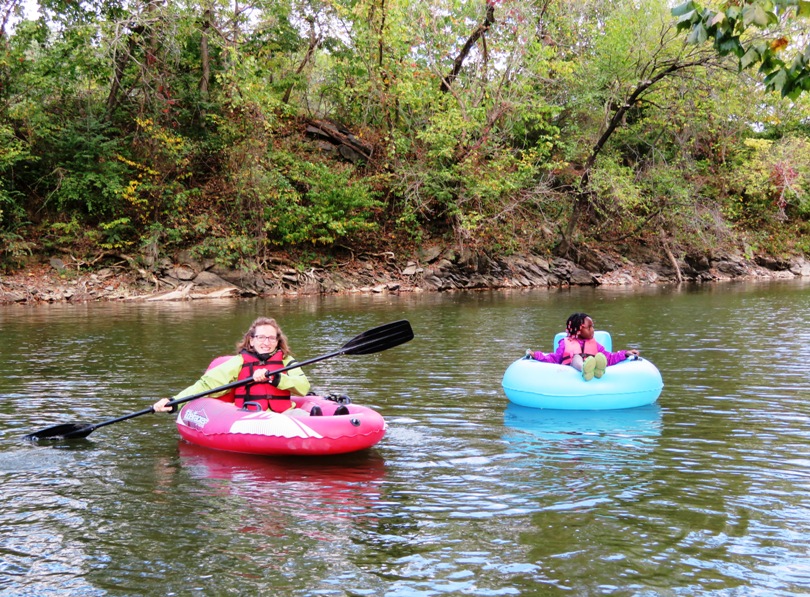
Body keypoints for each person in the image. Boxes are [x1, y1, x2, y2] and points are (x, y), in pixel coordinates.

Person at [152, 317, 321, 415]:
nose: (266, 342)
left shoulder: (286, 361)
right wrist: (174, 402)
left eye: (271, 338)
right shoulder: (238, 362)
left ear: (277, 341)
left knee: (305, 417)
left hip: (285, 413)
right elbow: (206, 385)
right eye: (261, 337)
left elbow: (303, 387)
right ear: (252, 340)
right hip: (250, 415)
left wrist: (276, 378)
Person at [526, 312, 640, 381]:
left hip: (593, 363)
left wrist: (625, 353)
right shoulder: (565, 343)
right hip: (574, 366)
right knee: (577, 358)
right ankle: (585, 368)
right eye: (589, 327)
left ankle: (598, 369)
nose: (592, 330)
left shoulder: (595, 344)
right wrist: (536, 355)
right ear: (578, 330)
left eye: (593, 327)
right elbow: (554, 358)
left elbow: (610, 357)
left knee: (600, 356)